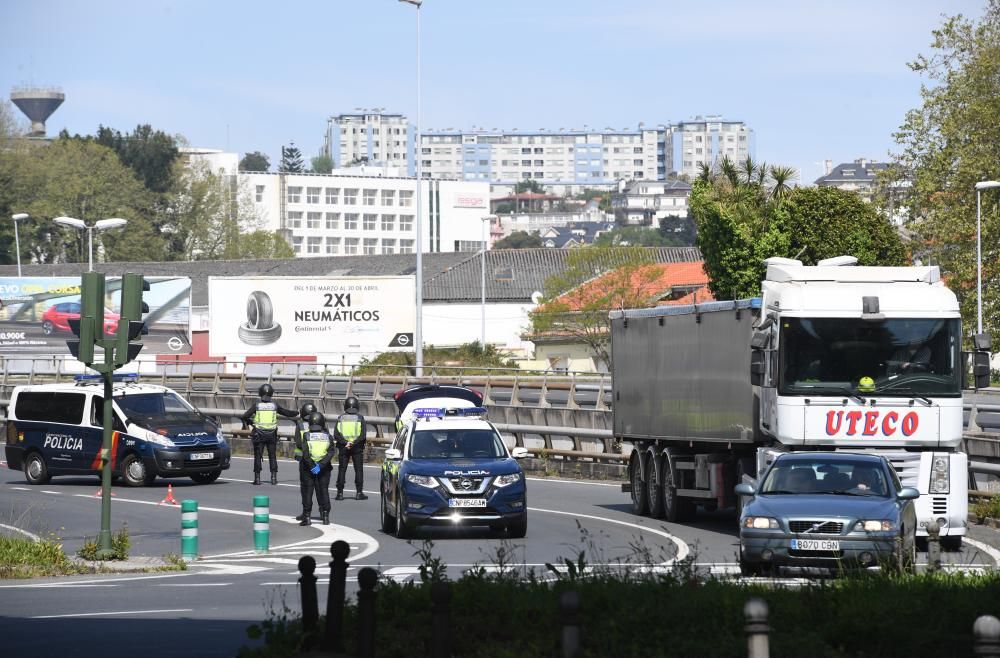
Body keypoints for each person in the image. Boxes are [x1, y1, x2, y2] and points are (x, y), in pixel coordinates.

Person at [241, 384, 298, 485]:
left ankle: (257, 479)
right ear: (271, 393)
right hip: (271, 434)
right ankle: (273, 478)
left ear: (260, 393)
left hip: (259, 434)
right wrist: (297, 412)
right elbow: (287, 413)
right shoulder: (274, 405)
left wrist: (251, 422)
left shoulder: (257, 405)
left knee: (258, 456)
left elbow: (245, 416)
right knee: (272, 456)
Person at [299, 411, 335, 526]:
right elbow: (331, 452)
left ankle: (307, 517)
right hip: (324, 469)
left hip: (309, 468)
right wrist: (321, 465)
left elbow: (305, 454)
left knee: (308, 492)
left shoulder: (307, 435)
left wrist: (313, 466)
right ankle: (325, 516)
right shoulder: (328, 436)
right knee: (324, 491)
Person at [334, 395, 368, 501]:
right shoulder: (360, 418)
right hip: (357, 447)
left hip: (344, 447)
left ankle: (340, 493)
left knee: (342, 469)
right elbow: (363, 435)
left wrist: (346, 443)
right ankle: (359, 493)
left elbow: (336, 434)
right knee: (358, 470)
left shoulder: (341, 418)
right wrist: (353, 443)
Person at [293, 401, 317, 521]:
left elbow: (297, 442)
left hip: (304, 460)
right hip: (319, 460)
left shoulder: (300, 425)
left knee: (306, 488)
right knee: (320, 488)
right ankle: (324, 513)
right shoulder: (321, 424)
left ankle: (306, 513)